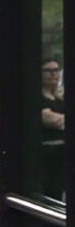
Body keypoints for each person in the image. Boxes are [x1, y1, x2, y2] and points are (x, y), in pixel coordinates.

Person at [41, 58, 65, 204]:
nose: (53, 74)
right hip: (46, 156)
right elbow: (49, 119)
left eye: (56, 70)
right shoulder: (38, 98)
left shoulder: (60, 99)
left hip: (62, 155)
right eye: (49, 71)